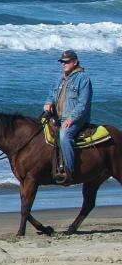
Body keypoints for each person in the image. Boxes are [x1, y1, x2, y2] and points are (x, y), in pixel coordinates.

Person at [43, 49, 93, 184]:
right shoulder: (60, 79)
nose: (63, 64)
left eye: (67, 62)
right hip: (58, 117)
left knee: (65, 135)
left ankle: (69, 171)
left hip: (75, 119)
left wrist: (72, 119)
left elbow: (83, 104)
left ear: (75, 62)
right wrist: (48, 102)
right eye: (62, 62)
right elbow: (51, 94)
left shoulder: (83, 79)